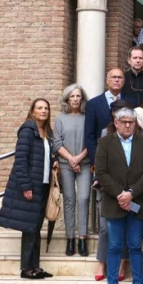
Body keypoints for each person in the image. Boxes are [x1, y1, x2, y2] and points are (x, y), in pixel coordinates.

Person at [96, 106, 143, 284]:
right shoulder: (105, 142)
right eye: (124, 122)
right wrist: (121, 194)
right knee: (113, 247)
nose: (128, 125)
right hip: (114, 202)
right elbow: (101, 173)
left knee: (136, 247)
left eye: (131, 122)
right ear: (117, 123)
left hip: (137, 202)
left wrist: (131, 193)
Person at [0, 98, 56, 280]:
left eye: (46, 108)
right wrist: (25, 186)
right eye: (40, 108)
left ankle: (35, 266)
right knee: (30, 228)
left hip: (43, 184)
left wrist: (54, 163)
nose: (43, 111)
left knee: (36, 227)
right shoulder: (27, 130)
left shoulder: (46, 132)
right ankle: (26, 269)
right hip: (31, 186)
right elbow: (21, 160)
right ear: (32, 110)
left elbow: (44, 156)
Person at [93, 100, 131, 283]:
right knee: (104, 228)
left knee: (124, 227)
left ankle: (122, 262)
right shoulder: (105, 134)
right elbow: (101, 166)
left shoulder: (138, 135)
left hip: (129, 191)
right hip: (107, 189)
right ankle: (102, 262)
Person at [53, 85, 91, 257]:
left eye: (78, 96)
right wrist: (70, 159)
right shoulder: (60, 118)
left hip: (84, 163)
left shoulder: (88, 117)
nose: (75, 99)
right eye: (72, 96)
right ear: (67, 99)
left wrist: (78, 158)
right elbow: (57, 143)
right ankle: (70, 239)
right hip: (66, 164)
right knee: (69, 200)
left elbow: (91, 141)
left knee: (83, 199)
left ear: (82, 99)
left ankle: (82, 238)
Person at [85, 69, 126, 169]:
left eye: (119, 77)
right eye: (113, 77)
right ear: (107, 81)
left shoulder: (131, 102)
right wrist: (95, 160)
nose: (116, 80)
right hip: (102, 157)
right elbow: (89, 135)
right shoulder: (93, 104)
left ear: (123, 81)